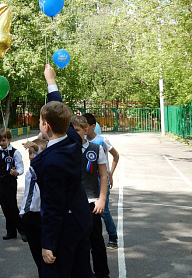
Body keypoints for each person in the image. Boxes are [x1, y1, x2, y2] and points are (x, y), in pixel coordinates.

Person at [31, 64, 92, 278]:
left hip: (64, 229)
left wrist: (48, 243)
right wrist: (51, 82)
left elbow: (52, 206)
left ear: (46, 126)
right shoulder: (73, 139)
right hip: (80, 219)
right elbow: (60, 111)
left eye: (40, 121)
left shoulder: (50, 162)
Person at [71, 115, 110, 278]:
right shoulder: (66, 150)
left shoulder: (96, 148)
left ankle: (102, 274)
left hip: (92, 202)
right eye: (71, 130)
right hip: (72, 205)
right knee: (77, 244)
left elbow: (103, 176)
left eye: (77, 130)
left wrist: (102, 199)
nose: (74, 134)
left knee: (96, 242)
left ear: (86, 130)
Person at [83, 113, 120, 250]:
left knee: (103, 211)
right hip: (88, 181)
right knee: (88, 209)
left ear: (93, 126)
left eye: (85, 126)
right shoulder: (82, 141)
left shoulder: (102, 141)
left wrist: (110, 173)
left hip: (101, 181)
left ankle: (113, 236)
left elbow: (116, 156)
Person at [0, 128, 26, 241]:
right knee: (5, 207)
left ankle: (23, 230)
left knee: (12, 207)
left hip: (11, 182)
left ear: (9, 139)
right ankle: (11, 231)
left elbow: (20, 167)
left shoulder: (15, 152)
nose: (1, 143)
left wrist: (17, 172)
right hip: (1, 183)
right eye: (0, 140)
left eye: (4, 140)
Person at [21, 136, 48, 277]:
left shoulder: (43, 171)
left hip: (41, 217)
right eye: (30, 153)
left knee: (46, 258)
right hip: (29, 216)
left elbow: (43, 158)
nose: (31, 156)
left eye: (34, 153)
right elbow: (27, 194)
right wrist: (22, 213)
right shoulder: (29, 172)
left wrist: (37, 149)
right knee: (37, 256)